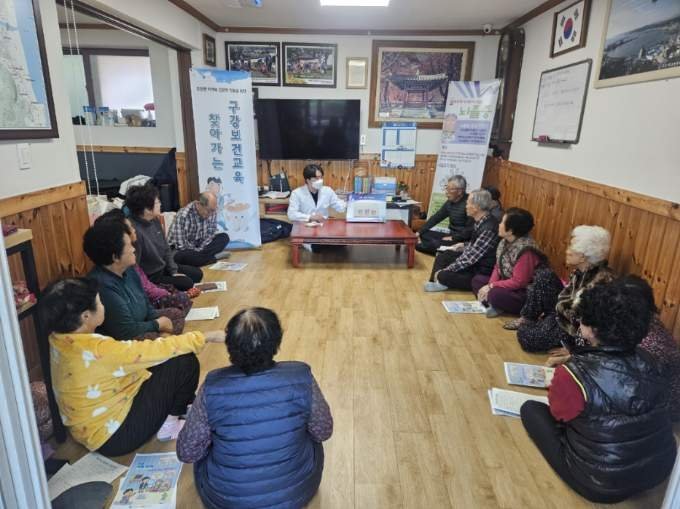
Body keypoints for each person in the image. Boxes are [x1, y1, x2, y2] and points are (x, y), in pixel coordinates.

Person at [520, 277, 677, 503]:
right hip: (659, 470)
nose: (579, 325)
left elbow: (559, 414)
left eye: (582, 320)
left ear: (592, 330)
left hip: (601, 483)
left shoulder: (574, 372)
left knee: (531, 409)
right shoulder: (651, 359)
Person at [40, 277, 225, 457]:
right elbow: (150, 351)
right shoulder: (97, 349)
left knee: (162, 359)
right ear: (86, 316)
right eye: (100, 302)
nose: (103, 306)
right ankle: (169, 426)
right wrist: (207, 336)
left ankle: (182, 408)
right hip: (116, 436)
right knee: (184, 360)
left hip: (88, 430)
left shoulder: (58, 339)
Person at [177, 307, 331, 509]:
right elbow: (323, 431)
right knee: (312, 435)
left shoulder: (212, 386)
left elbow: (188, 453)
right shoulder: (301, 376)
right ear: (277, 343)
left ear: (229, 347)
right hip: (296, 493)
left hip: (226, 500)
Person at [546, 275, 680, 422]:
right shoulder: (635, 330)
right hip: (648, 413)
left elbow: (622, 390)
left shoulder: (645, 346)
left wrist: (573, 373)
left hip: (657, 415)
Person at [509, 225, 614, 352]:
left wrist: (574, 350)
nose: (567, 251)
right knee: (545, 275)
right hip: (561, 312)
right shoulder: (580, 271)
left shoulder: (601, 281)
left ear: (583, 257)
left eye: (571, 247)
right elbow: (565, 298)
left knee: (528, 338)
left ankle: (541, 326)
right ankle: (528, 318)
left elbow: (587, 323)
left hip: (572, 327)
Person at [84, 220, 183, 340]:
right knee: (160, 334)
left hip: (140, 324)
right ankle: (164, 343)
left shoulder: (129, 269)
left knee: (176, 315)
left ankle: (164, 342)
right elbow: (125, 331)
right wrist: (158, 325)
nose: (133, 249)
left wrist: (157, 322)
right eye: (129, 245)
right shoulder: (102, 286)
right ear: (115, 257)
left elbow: (146, 304)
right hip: (123, 339)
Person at [95, 208, 194, 316]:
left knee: (182, 290)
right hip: (152, 285)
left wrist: (172, 272)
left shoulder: (154, 222)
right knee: (179, 303)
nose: (134, 229)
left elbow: (165, 249)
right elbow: (144, 289)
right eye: (130, 227)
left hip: (154, 283)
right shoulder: (124, 262)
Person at [471, 208, 547, 317]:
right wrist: (489, 285)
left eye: (502, 222)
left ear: (510, 230)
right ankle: (494, 304)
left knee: (495, 294)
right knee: (477, 280)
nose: (499, 224)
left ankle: (495, 304)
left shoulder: (526, 251)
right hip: (507, 284)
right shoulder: (504, 241)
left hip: (524, 292)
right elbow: (497, 266)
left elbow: (519, 282)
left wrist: (492, 286)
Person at [126, 183, 202, 290]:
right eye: (157, 202)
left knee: (197, 273)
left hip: (163, 267)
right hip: (152, 276)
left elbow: (166, 248)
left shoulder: (154, 220)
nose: (160, 204)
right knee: (186, 283)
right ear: (146, 209)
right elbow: (135, 268)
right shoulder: (134, 231)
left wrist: (174, 271)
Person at [424, 189, 500, 292]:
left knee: (444, 274)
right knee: (444, 256)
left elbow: (470, 258)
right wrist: (464, 245)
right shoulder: (482, 220)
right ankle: (437, 281)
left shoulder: (489, 228)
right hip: (475, 264)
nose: (466, 206)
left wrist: (446, 270)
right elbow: (477, 245)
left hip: (479, 271)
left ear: (476, 207)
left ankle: (440, 279)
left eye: (468, 203)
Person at [167, 192, 231, 267]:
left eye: (213, 210)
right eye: (209, 211)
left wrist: (200, 250)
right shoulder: (183, 215)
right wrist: (197, 251)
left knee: (224, 237)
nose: (211, 214)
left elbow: (210, 235)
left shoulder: (212, 212)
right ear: (198, 204)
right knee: (184, 256)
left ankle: (202, 258)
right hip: (180, 250)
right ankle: (212, 258)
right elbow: (181, 245)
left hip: (199, 247)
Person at [415, 175, 469, 255]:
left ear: (460, 191)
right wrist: (419, 232)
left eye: (450, 189)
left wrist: (453, 238)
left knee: (435, 243)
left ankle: (420, 246)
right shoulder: (450, 202)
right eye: (446, 188)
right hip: (450, 235)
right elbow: (436, 218)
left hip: (461, 240)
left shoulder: (469, 204)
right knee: (424, 234)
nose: (446, 192)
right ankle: (439, 249)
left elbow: (470, 230)